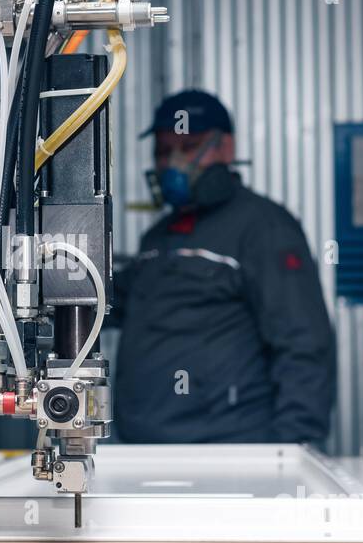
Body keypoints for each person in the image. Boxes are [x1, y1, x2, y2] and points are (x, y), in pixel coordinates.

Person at [112, 90, 336, 444]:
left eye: (188, 147)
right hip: (145, 449)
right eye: (163, 151)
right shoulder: (158, 237)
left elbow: (304, 343)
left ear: (226, 149)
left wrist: (294, 451)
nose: (172, 163)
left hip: (227, 450)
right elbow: (115, 301)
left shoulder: (264, 228)